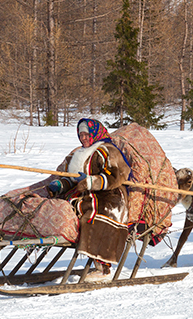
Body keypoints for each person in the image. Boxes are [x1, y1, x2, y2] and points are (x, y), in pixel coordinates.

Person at [48, 118, 133, 279]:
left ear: (94, 133)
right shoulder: (77, 154)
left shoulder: (107, 150)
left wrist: (90, 181)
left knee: (93, 214)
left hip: (110, 195)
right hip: (85, 193)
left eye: (87, 134)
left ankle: (103, 266)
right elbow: (71, 178)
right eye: (81, 135)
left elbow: (117, 175)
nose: (83, 138)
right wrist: (60, 185)